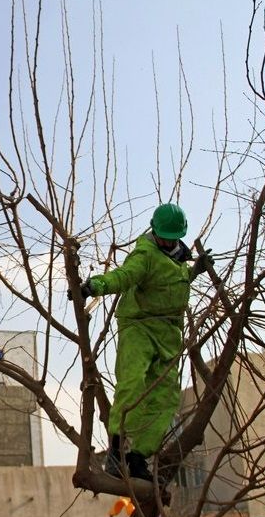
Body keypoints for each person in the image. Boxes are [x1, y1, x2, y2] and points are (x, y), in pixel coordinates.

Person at [78, 203, 212, 481]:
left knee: (165, 398)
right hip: (139, 327)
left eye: (172, 237)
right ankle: (117, 451)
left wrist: (194, 272)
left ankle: (138, 457)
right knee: (133, 384)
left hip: (169, 333)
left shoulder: (178, 260)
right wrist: (96, 285)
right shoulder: (145, 254)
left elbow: (168, 282)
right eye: (164, 236)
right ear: (154, 230)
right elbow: (124, 277)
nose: (168, 241)